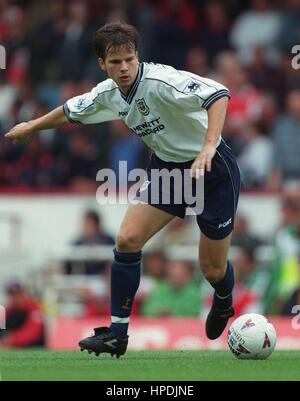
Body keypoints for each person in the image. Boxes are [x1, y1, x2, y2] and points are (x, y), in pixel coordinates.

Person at [4, 23, 240, 358]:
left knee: (212, 269)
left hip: (212, 168)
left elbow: (219, 94)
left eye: (130, 59)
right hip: (168, 168)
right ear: (102, 64)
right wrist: (31, 126)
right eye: (116, 62)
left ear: (137, 56)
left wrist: (208, 146)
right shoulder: (109, 94)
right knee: (127, 240)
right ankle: (117, 334)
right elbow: (71, 111)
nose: (125, 67)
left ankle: (223, 298)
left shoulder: (161, 81)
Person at [0, 282, 45, 348]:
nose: (15, 297)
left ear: (23, 294)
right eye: (12, 294)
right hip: (13, 347)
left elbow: (32, 332)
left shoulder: (33, 308)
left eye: (17, 294)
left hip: (33, 347)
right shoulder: (9, 310)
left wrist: (12, 339)